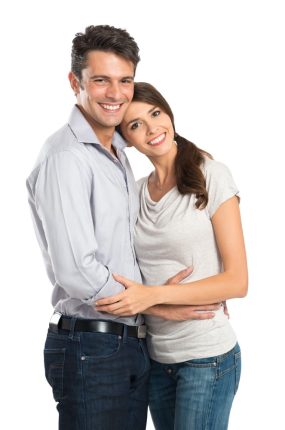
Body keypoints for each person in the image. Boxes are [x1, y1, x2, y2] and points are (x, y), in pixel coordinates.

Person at [26, 27, 221, 430]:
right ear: (75, 82)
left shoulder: (111, 148)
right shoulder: (68, 158)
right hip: (91, 346)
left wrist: (195, 158)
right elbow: (78, 270)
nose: (115, 94)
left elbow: (152, 131)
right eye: (100, 80)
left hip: (128, 345)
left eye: (125, 81)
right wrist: (160, 304)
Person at [96, 82, 248, 430]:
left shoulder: (213, 176)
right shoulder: (132, 194)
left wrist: (155, 294)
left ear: (168, 113)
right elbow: (118, 277)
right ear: (125, 139)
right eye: (135, 124)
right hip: (153, 358)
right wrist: (153, 305)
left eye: (155, 114)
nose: (152, 129)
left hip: (206, 356)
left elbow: (237, 281)